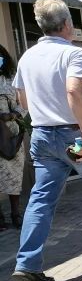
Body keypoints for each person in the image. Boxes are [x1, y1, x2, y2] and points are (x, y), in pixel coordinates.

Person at [11, 0, 82, 281]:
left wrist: (44, 113)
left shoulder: (27, 57)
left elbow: (22, 100)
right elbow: (74, 91)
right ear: (67, 24)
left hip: (42, 135)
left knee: (41, 200)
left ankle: (27, 263)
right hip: (73, 136)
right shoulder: (75, 55)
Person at [0, 43, 25, 232]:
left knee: (14, 177)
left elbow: (23, 103)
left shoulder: (11, 79)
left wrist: (13, 115)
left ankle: (16, 214)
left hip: (11, 135)